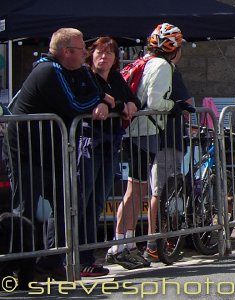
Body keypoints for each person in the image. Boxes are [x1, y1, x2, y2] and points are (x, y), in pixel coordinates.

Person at [8, 28, 107, 280]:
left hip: (53, 150)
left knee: (66, 205)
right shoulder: (48, 70)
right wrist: (99, 99)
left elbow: (96, 88)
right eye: (81, 50)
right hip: (28, 151)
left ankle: (50, 261)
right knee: (26, 210)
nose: (86, 54)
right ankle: (22, 268)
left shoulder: (77, 70)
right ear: (66, 52)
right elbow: (75, 104)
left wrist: (100, 97)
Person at [110, 23, 186, 265]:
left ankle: (124, 243)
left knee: (135, 189)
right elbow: (154, 102)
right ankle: (122, 245)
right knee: (137, 190)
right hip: (145, 131)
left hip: (135, 130)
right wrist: (173, 106)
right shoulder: (163, 66)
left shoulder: (145, 61)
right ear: (173, 49)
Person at [79, 37, 139, 277]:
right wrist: (116, 104)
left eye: (109, 54)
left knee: (96, 203)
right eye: (100, 53)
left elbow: (132, 99)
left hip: (110, 144)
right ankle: (76, 258)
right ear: (91, 54)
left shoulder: (114, 77)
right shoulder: (85, 75)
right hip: (89, 145)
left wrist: (130, 104)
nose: (104, 57)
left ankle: (88, 258)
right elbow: (91, 102)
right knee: (82, 203)